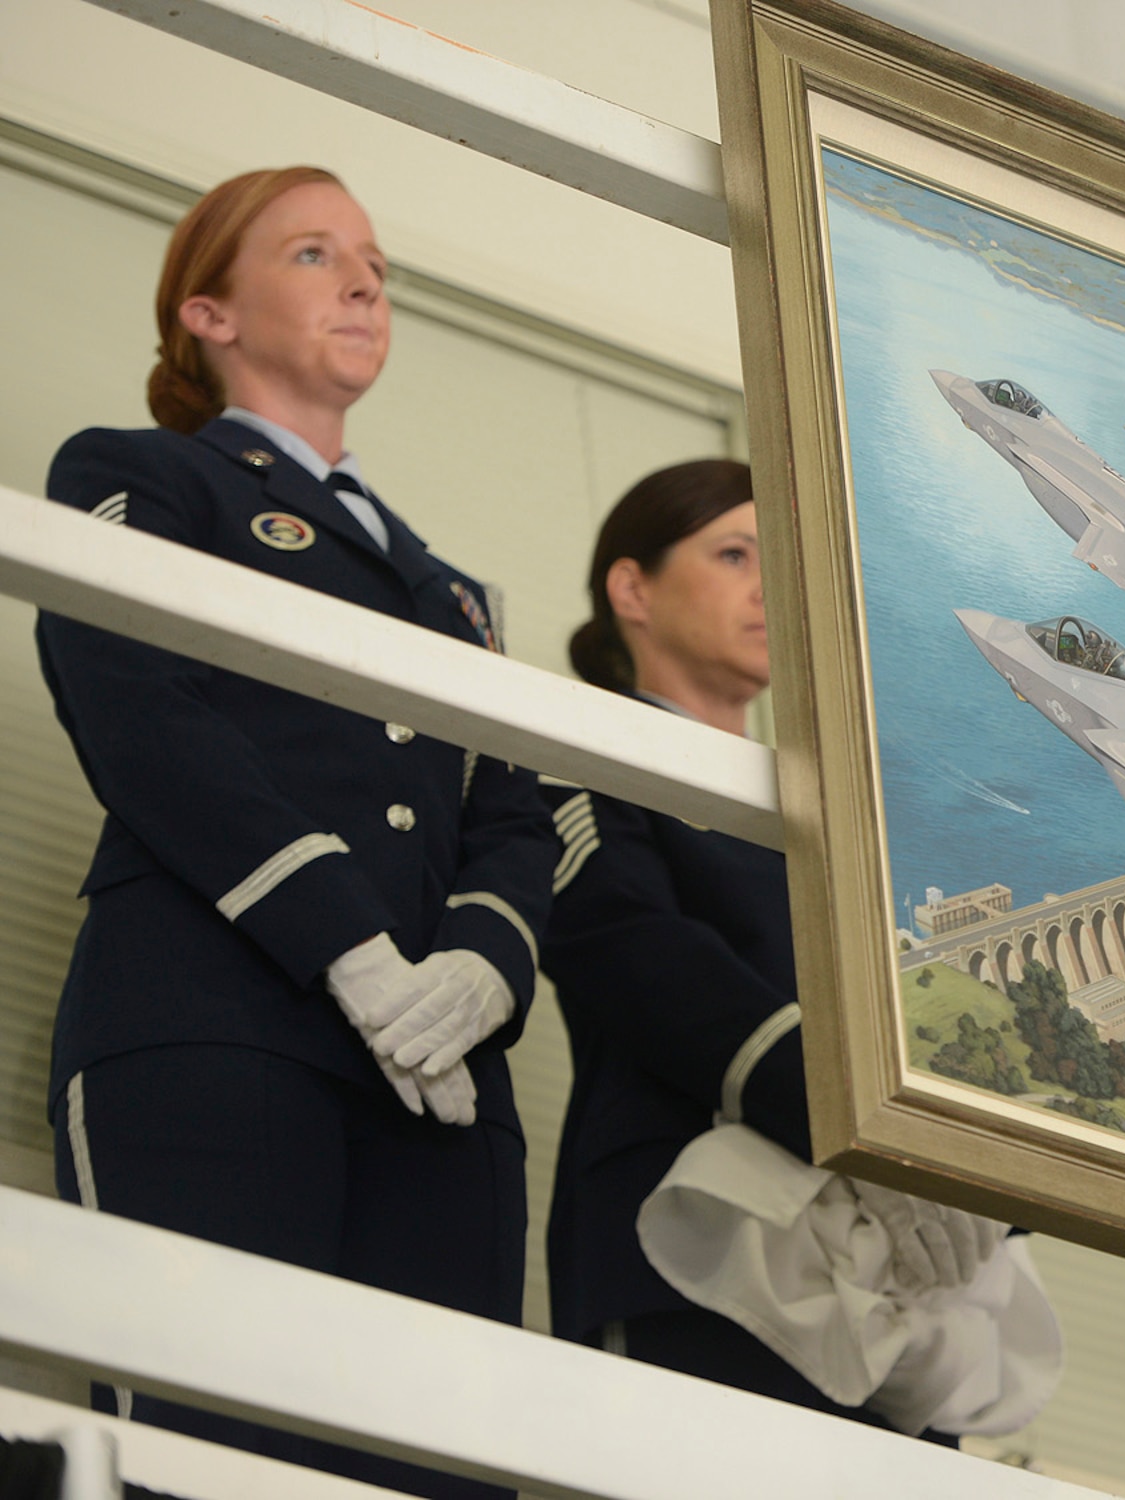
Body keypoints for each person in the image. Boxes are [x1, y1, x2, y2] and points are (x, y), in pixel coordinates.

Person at [37, 166, 556, 1500]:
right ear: (206, 312)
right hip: (219, 1025)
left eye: (375, 260)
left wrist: (484, 967)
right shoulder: (143, 476)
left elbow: (514, 806)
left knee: (430, 1469)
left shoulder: (452, 591)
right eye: (317, 252)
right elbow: (137, 704)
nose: (367, 281)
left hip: (436, 1081)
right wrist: (348, 943)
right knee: (208, 1456)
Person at [542, 461, 1059, 1439]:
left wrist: (976, 1183)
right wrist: (859, 1115)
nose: (764, 586)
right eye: (734, 554)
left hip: (900, 1284)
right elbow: (630, 948)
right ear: (631, 589)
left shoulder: (852, 813)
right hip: (699, 1261)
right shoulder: (583, 755)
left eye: (778, 561)